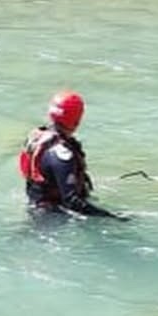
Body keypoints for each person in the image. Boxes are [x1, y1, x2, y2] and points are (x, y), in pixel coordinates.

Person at [19, 90, 129, 221]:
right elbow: (72, 202)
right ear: (77, 120)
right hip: (54, 218)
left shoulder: (37, 138)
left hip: (37, 207)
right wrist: (112, 217)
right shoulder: (62, 155)